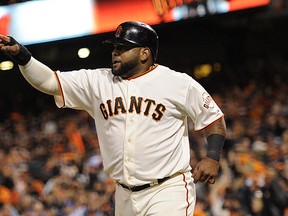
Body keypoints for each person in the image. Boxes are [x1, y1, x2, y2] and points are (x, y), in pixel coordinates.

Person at [0, 21, 226, 216]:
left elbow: (213, 117)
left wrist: (213, 156)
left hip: (168, 189)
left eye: (123, 48)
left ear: (144, 53)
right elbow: (49, 82)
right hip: (124, 193)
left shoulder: (177, 83)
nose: (115, 52)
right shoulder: (98, 81)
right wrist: (23, 57)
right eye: (114, 47)